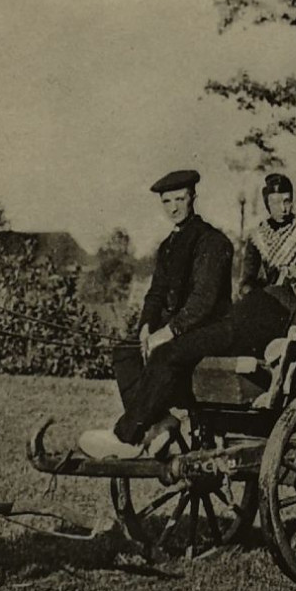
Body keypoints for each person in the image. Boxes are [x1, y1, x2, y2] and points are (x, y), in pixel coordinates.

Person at [79, 169, 236, 460]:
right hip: (184, 330)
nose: (173, 207)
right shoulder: (168, 246)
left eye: (180, 199)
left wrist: (169, 331)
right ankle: (160, 420)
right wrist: (146, 327)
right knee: (125, 352)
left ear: (193, 198)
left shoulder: (212, 242)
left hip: (215, 329)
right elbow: (155, 294)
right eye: (167, 201)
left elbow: (204, 300)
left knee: (165, 353)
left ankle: (127, 437)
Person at [240, 173, 296, 295]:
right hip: (269, 297)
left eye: (286, 202)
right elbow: (248, 278)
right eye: (276, 202)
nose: (283, 209)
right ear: (267, 203)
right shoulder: (257, 236)